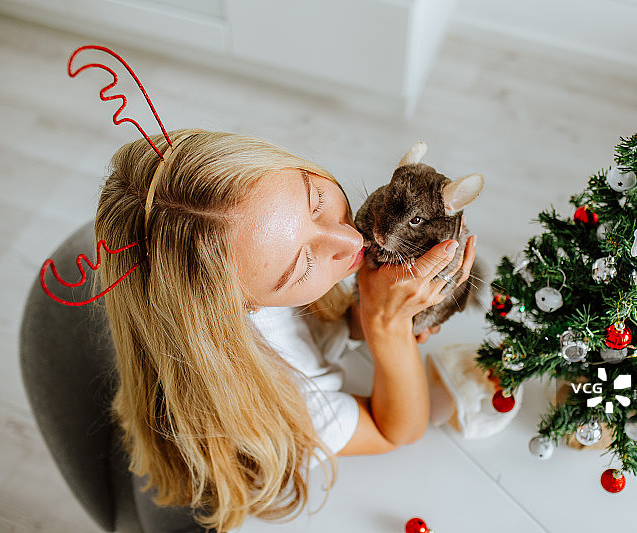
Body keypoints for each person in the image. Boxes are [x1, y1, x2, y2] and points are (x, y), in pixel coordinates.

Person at [96, 129, 476, 531]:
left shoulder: (250, 259)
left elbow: (312, 323)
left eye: (317, 201)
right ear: (243, 308)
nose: (351, 239)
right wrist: (387, 324)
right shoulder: (276, 396)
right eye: (302, 264)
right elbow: (396, 431)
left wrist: (369, 311)